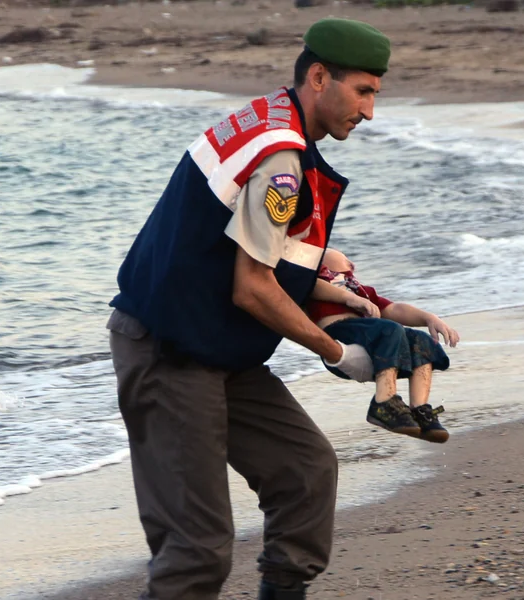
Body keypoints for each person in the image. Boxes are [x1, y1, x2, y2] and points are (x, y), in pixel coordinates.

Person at [106, 18, 392, 600]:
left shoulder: (272, 119)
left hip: (218, 348)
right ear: (319, 77)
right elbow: (253, 288)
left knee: (306, 473)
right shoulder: (281, 159)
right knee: (197, 551)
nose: (369, 112)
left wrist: (339, 293)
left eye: (374, 94)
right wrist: (337, 353)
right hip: (169, 351)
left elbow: (265, 251)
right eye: (363, 91)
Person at [306, 248, 460, 443]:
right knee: (390, 329)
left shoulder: (361, 291)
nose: (351, 264)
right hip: (339, 334)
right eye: (345, 259)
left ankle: (419, 410)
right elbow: (311, 285)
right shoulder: (315, 282)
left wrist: (429, 318)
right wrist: (350, 298)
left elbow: (394, 309)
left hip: (372, 338)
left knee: (420, 340)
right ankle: (384, 401)